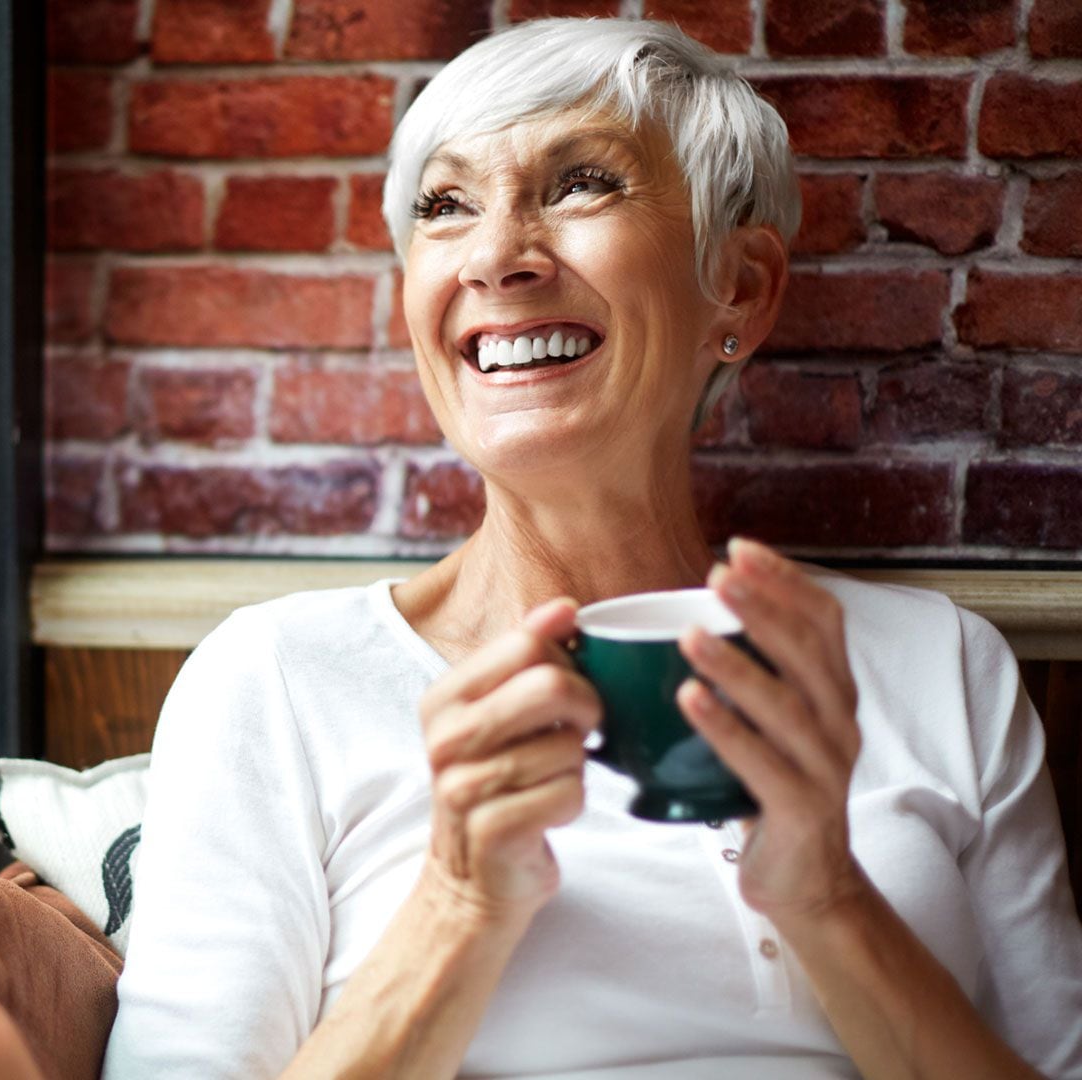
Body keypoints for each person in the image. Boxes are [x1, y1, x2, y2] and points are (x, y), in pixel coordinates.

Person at [105, 18, 1082, 1080]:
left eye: (579, 185)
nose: (494, 258)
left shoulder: (945, 667)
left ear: (741, 289)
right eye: (446, 206)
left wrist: (828, 900)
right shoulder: (276, 682)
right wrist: (458, 905)